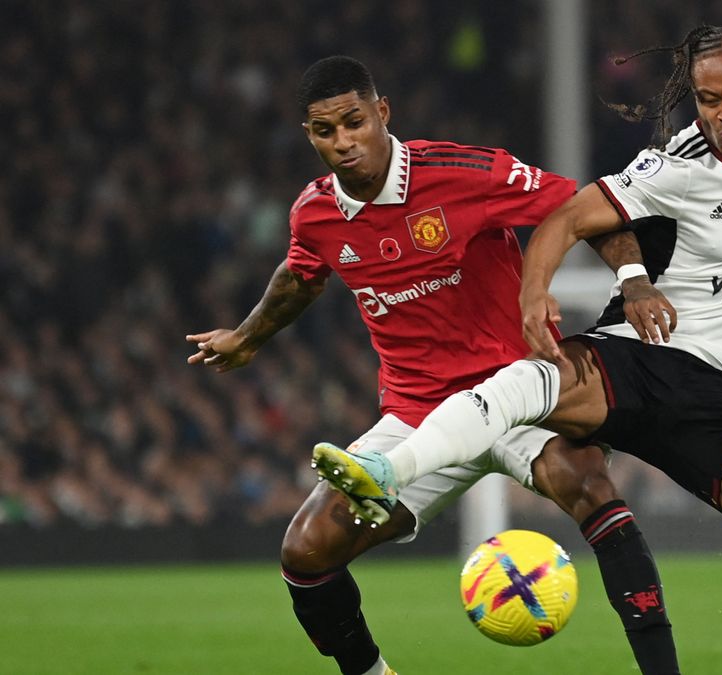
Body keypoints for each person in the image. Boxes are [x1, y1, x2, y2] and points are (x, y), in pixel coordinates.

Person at [315, 3, 722, 671]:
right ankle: (391, 470)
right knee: (530, 379)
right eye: (709, 100)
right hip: (638, 358)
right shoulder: (677, 164)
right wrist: (549, 293)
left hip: (708, 391)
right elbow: (567, 214)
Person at [186, 56, 683, 675]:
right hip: (416, 419)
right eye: (324, 131)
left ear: (382, 113)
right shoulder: (313, 214)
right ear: (308, 135)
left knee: (591, 487)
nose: (343, 142)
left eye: (353, 122)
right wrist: (248, 337)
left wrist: (634, 279)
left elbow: (584, 208)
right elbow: (299, 278)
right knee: (306, 551)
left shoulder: (463, 172)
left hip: (520, 391)